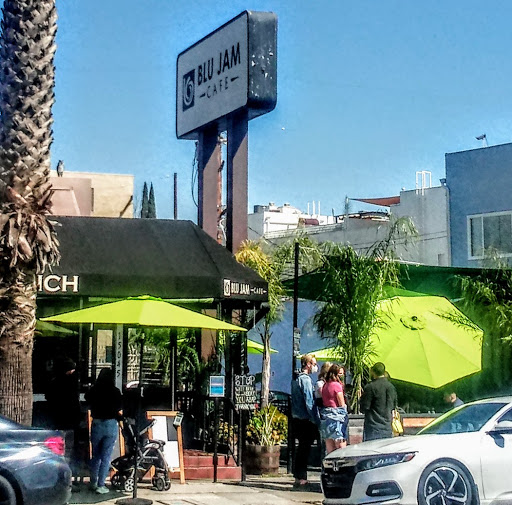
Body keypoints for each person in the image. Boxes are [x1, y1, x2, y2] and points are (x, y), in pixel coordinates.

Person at [85, 368, 123, 494]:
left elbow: (87, 398)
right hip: (111, 423)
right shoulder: (115, 391)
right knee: (106, 456)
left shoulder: (94, 390)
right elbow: (119, 407)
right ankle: (101, 484)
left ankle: (93, 482)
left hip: (97, 423)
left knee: (96, 455)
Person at [45, 357, 81, 485]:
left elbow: (48, 397)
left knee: (56, 451)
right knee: (68, 451)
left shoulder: (54, 382)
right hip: (69, 422)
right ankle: (66, 479)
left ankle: (56, 477)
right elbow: (75, 403)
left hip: (57, 422)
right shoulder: (72, 384)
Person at [290, 353, 318, 488]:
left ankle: (298, 475)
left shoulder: (295, 379)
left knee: (301, 448)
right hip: (305, 419)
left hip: (296, 417)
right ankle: (302, 477)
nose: (316, 367)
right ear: (308, 364)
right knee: (305, 449)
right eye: (314, 364)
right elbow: (309, 401)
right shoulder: (305, 380)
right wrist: (315, 418)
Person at [360, 362, 397, 441]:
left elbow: (364, 407)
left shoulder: (370, 387)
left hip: (373, 426)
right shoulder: (391, 387)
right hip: (387, 426)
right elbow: (393, 406)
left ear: (373, 372)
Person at [320, 364, 348, 454]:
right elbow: (341, 404)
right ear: (335, 374)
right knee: (341, 445)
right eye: (340, 374)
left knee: (329, 446)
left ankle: (330, 463)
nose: (342, 376)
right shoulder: (337, 386)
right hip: (337, 417)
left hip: (326, 417)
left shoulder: (325, 385)